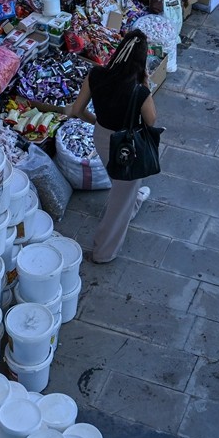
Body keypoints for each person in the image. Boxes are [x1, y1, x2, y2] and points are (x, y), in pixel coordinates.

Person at [67, 30, 157, 264]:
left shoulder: (96, 75)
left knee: (121, 182)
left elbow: (76, 110)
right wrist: (147, 86)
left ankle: (133, 200)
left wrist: (97, 121)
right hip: (126, 146)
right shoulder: (139, 90)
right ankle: (103, 252)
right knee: (119, 200)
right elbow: (151, 120)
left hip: (102, 136)